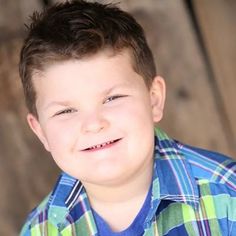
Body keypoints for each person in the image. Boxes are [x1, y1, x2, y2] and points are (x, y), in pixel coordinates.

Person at [19, 0, 236, 235]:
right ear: (40, 131)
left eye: (112, 98)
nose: (94, 124)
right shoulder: (40, 229)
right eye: (65, 111)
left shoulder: (228, 195)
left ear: (153, 99)